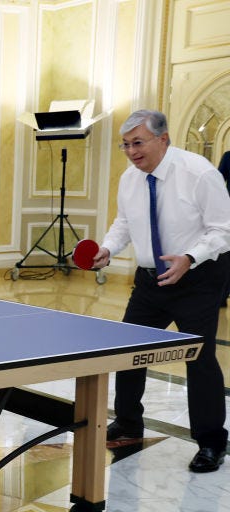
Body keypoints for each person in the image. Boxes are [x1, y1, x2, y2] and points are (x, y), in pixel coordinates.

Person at [91, 110, 230, 473]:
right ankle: (128, 423)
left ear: (163, 139)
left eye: (138, 143)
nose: (131, 151)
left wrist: (189, 257)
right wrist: (108, 248)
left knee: (199, 358)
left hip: (198, 278)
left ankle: (212, 441)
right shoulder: (130, 179)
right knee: (129, 351)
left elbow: (223, 230)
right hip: (151, 279)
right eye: (125, 145)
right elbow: (124, 222)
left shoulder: (199, 173)